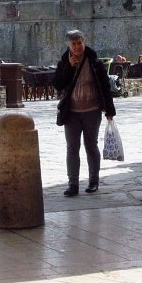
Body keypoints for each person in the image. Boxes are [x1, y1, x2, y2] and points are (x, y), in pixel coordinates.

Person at [53, 29, 116, 197]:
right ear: (69, 45)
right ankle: (73, 184)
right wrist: (69, 67)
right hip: (71, 112)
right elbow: (58, 84)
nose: (77, 46)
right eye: (73, 44)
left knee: (91, 146)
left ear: (84, 42)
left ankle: (93, 181)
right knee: (72, 147)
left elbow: (105, 86)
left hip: (92, 111)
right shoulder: (64, 62)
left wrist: (109, 110)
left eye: (79, 43)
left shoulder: (94, 62)